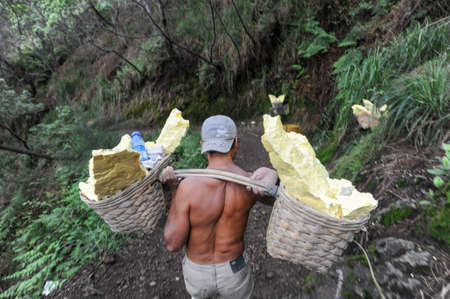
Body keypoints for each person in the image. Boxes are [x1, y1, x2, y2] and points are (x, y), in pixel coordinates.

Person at [161, 115, 278, 299]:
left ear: (202, 144)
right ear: (236, 143)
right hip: (234, 272)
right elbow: (287, 201)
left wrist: (174, 191)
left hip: (198, 274)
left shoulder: (188, 187)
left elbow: (173, 243)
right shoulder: (251, 184)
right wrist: (274, 176)